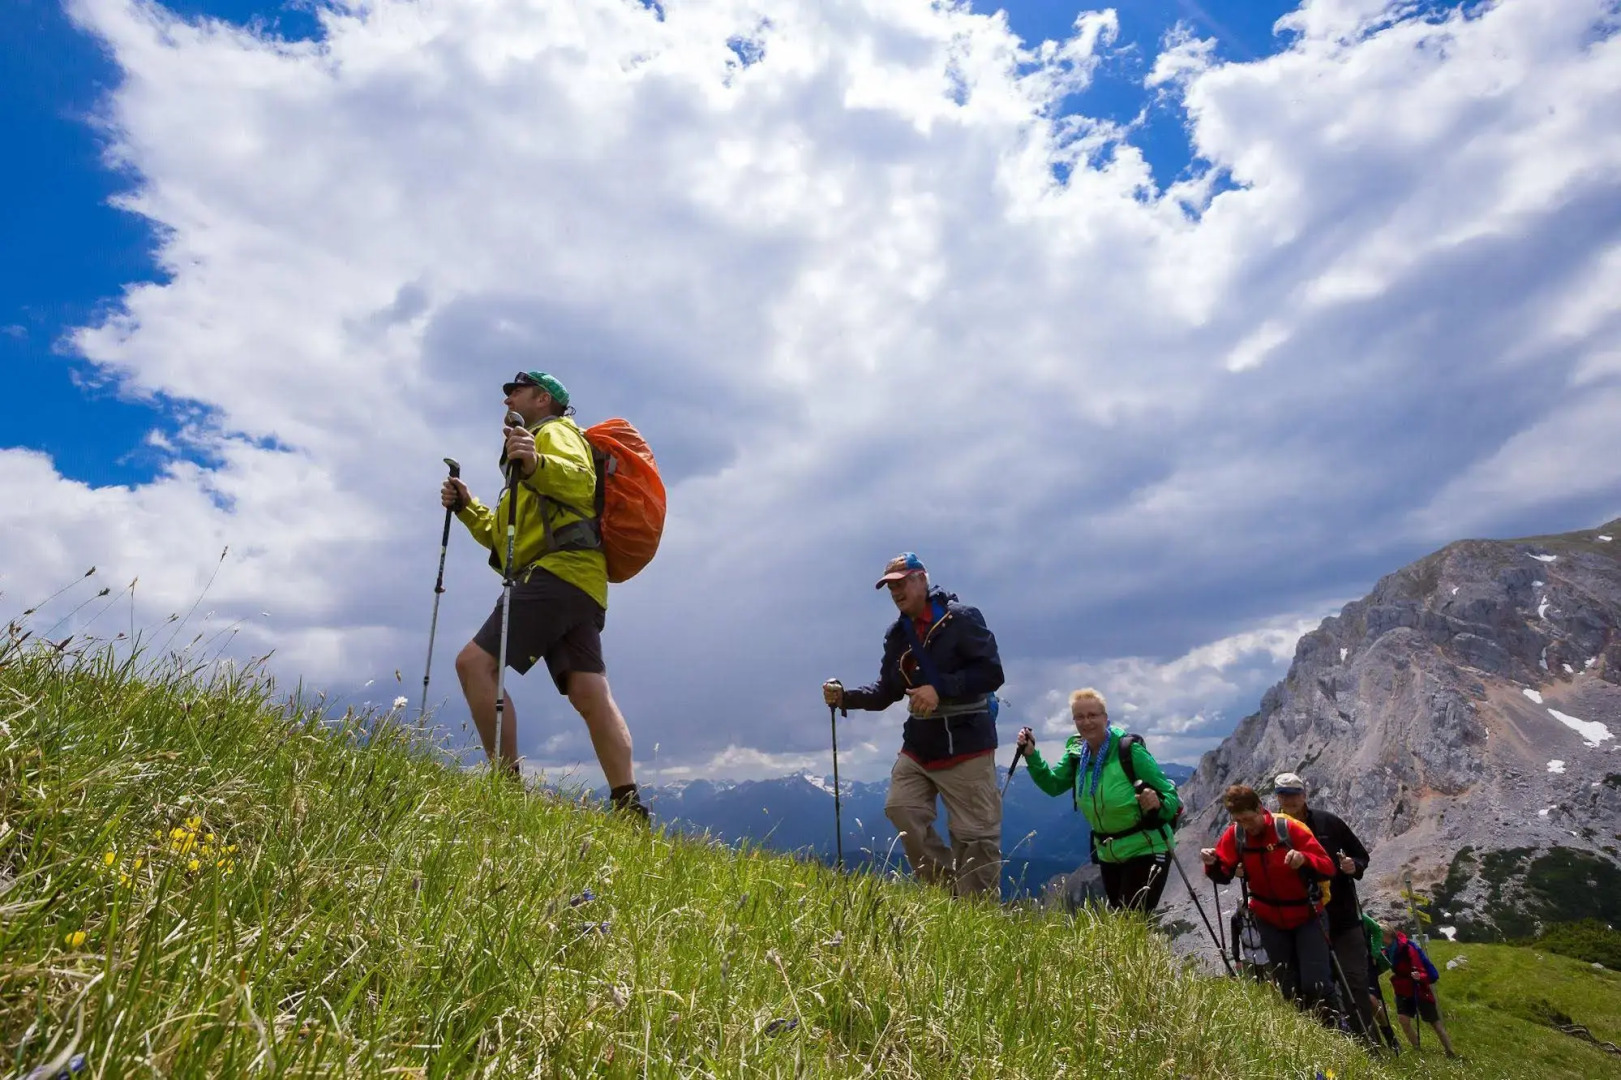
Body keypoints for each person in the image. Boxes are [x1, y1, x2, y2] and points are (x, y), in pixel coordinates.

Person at [441, 370, 647, 821]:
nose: (506, 400)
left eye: (513, 391)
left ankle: (506, 792)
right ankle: (629, 808)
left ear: (542, 397)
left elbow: (580, 483)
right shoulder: (528, 452)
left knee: (474, 664)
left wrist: (536, 464)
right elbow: (502, 538)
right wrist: (466, 507)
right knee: (589, 692)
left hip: (556, 573)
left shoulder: (556, 433)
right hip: (582, 584)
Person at [822, 553, 1005, 897]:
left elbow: (992, 673)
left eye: (902, 582)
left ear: (922, 579)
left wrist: (940, 689)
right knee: (901, 808)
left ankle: (977, 914)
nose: (896, 592)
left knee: (976, 836)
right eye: (890, 587)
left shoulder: (961, 619)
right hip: (921, 745)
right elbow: (885, 692)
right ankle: (946, 891)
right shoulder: (897, 635)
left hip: (967, 744)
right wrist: (845, 698)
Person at [1014, 689, 1180, 912]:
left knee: (1130, 923)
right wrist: (1032, 755)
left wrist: (1158, 803)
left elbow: (1172, 798)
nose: (1086, 722)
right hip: (1108, 853)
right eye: (1079, 717)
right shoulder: (1077, 755)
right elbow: (1052, 786)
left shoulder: (1129, 751)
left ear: (1105, 717)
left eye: (1093, 715)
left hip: (1146, 847)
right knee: (1125, 924)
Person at [1201, 784, 1340, 1019]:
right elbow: (1223, 875)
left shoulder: (1289, 828)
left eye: (1248, 819)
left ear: (1259, 807)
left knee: (1315, 983)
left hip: (1307, 916)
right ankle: (1307, 1037)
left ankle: (1335, 1029)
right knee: (1288, 986)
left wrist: (1304, 859)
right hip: (1269, 919)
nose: (1246, 826)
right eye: (1239, 820)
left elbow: (1328, 868)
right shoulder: (1236, 835)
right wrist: (1212, 862)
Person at [1272, 772, 1377, 1042]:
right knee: (1313, 985)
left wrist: (1355, 866)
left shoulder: (1328, 823)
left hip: (1341, 918)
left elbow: (1360, 854)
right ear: (1277, 798)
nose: (1289, 799)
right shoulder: (1271, 829)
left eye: (1294, 793)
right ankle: (1330, 1045)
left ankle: (1370, 1045)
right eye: (1283, 794)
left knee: (1354, 981)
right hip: (1302, 922)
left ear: (1304, 794)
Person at [1383, 924, 1460, 1058]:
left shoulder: (1407, 948)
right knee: (1403, 1020)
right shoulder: (1386, 950)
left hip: (1418, 987)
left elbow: (1420, 968)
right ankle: (1417, 1050)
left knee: (1434, 1022)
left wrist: (1420, 976)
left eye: (1381, 936)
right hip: (1403, 989)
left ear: (1388, 935)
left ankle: (1450, 1051)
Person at [1362, 912, 1403, 1052]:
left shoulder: (1360, 916)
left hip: (1365, 963)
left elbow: (1376, 930)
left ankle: (1390, 1037)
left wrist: (1373, 953)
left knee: (1372, 1002)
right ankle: (1375, 1041)